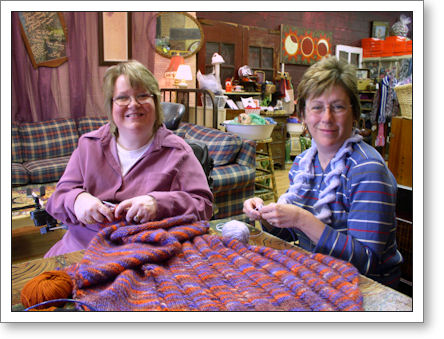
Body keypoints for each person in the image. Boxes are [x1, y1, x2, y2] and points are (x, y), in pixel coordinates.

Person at [243, 56, 402, 288]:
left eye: (337, 107)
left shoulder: (366, 169)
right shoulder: (304, 163)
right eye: (317, 107)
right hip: (319, 274)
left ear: (354, 114)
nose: (326, 118)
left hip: (367, 290)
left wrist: (302, 219)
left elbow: (369, 263)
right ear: (304, 116)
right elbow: (286, 236)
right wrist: (266, 215)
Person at [45, 60, 213, 257]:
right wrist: (77, 200)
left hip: (145, 254)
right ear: (111, 106)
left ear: (156, 102)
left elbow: (204, 206)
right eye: (122, 98)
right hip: (81, 250)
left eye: (143, 95)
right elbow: (57, 199)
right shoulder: (89, 145)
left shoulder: (178, 152)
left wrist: (158, 204)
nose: (133, 104)